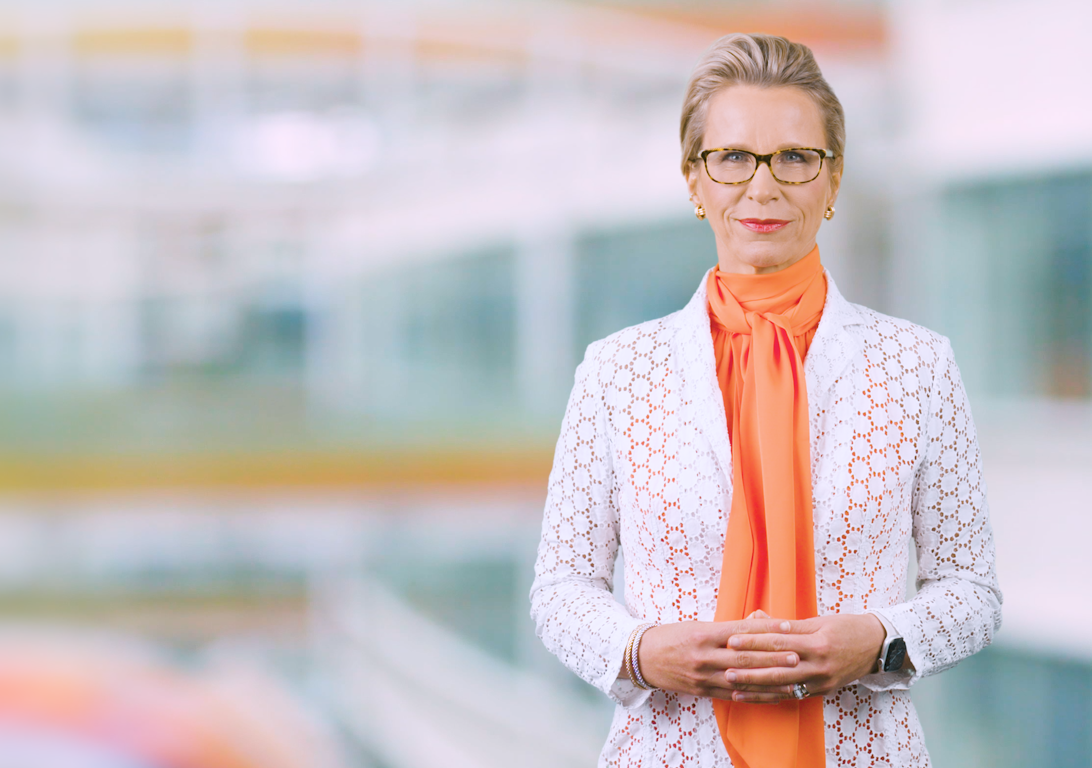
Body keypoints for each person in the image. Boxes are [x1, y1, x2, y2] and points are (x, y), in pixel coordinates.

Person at [529, 33, 1001, 768]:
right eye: (733, 158)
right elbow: (561, 588)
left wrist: (877, 639)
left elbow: (971, 591)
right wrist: (643, 650)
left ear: (833, 179)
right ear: (695, 181)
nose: (763, 185)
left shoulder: (917, 365)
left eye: (794, 157)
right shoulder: (617, 370)